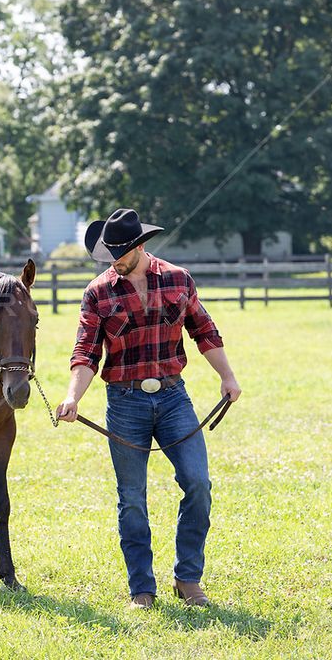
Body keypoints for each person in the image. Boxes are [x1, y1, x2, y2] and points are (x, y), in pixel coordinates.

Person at [56, 208, 241, 610]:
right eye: (109, 255)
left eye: (119, 254)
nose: (113, 263)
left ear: (139, 246)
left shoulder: (179, 279)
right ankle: (142, 587)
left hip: (175, 397)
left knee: (198, 484)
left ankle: (187, 578)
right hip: (125, 402)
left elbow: (204, 331)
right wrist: (73, 396)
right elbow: (86, 352)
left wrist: (227, 377)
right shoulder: (98, 292)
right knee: (132, 498)